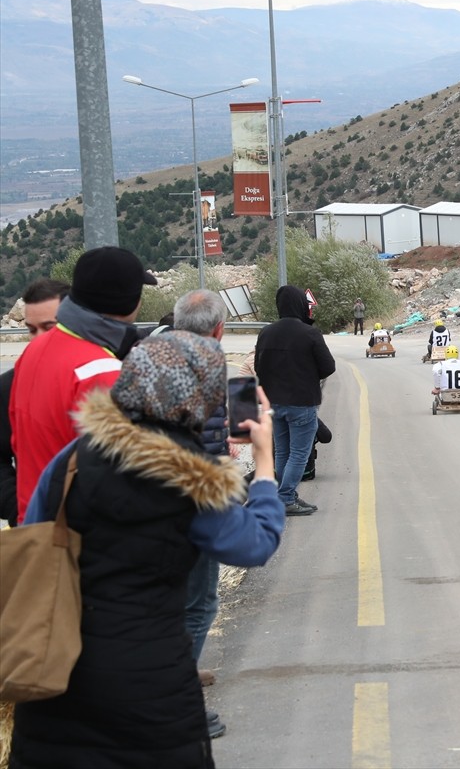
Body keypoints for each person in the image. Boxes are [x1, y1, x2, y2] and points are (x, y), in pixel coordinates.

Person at [10, 331, 285, 769]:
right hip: (151, 686)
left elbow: (34, 533)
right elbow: (254, 543)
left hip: (56, 674)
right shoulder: (195, 481)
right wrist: (265, 462)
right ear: (199, 397)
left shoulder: (71, 461)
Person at [9, 246, 157, 523]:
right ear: (133, 302)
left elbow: (19, 439)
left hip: (33, 527)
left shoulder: (34, 351)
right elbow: (125, 484)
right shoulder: (103, 372)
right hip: (80, 544)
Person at [171, 289, 231, 734]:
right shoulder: (206, 367)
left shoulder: (151, 357)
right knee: (199, 602)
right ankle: (178, 703)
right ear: (218, 330)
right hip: (193, 500)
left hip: (149, 501)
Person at [254, 285, 336, 516]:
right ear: (302, 304)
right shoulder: (310, 333)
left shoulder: (266, 332)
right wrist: (307, 376)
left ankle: (286, 494)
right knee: (299, 453)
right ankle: (286, 498)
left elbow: (259, 366)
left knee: (282, 452)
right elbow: (328, 367)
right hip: (301, 401)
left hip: (272, 402)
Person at [1, 278, 69, 527]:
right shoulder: (10, 385)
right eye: (32, 329)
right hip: (35, 532)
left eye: (49, 327)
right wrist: (20, 509)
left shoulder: (94, 374)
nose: (38, 338)